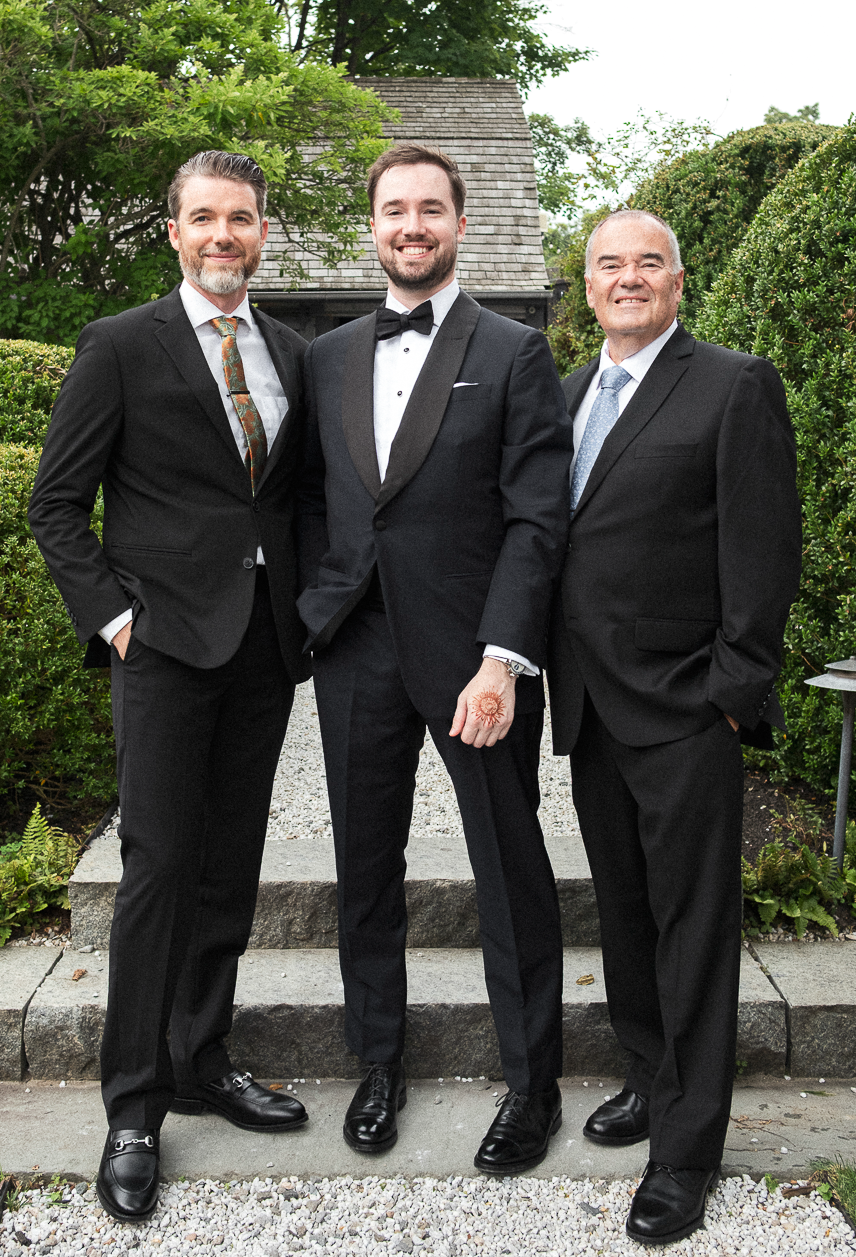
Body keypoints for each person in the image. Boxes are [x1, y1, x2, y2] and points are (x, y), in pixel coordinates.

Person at [29, 151, 312, 1225]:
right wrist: (116, 620)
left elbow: (290, 503)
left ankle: (203, 1058)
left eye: (239, 218)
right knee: (157, 871)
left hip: (261, 651)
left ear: (262, 233)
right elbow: (56, 504)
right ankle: (135, 1106)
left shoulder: (292, 351)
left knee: (228, 870)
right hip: (160, 650)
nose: (223, 235)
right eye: (203, 218)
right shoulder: (117, 347)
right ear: (174, 232)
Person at [296, 142, 573, 1173]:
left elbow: (536, 519)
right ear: (372, 227)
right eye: (393, 211)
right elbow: (307, 500)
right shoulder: (323, 356)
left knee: (507, 870)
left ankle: (530, 1084)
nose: (410, 226)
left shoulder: (513, 353)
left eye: (429, 210)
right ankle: (377, 1063)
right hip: (355, 650)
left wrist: (503, 659)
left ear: (460, 225)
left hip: (474, 661)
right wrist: (309, 614)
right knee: (363, 867)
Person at [548, 209, 801, 1246]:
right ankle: (650, 1081)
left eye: (646, 262)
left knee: (694, 930)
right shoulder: (567, 395)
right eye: (609, 263)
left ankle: (688, 1151)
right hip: (593, 710)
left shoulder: (732, 384)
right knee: (624, 914)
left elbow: (763, 545)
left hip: (687, 703)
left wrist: (732, 690)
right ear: (588, 285)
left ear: (678, 280)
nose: (627, 278)